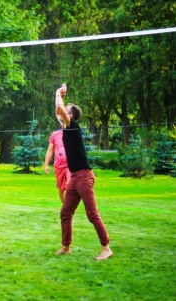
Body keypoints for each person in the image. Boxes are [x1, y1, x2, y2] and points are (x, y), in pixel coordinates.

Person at [54, 83, 113, 260]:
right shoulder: (66, 128)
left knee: (92, 213)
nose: (61, 113)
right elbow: (59, 111)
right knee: (65, 212)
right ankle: (66, 246)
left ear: (70, 116)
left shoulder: (73, 127)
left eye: (66, 110)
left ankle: (106, 248)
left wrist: (59, 94)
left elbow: (59, 109)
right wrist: (61, 100)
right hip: (74, 178)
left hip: (84, 177)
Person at [44, 126, 71, 203]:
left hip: (70, 165)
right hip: (59, 166)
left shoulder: (73, 134)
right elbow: (50, 150)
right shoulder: (55, 134)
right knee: (61, 189)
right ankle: (65, 206)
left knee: (68, 186)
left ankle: (67, 209)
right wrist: (46, 164)